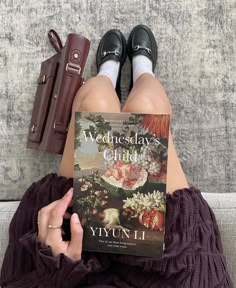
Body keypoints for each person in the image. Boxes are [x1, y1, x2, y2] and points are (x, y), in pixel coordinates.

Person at [0, 25, 233, 288]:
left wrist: (54, 269)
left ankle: (107, 74)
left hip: (68, 266)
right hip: (170, 274)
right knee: (146, 108)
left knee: (94, 103)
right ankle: (142, 70)